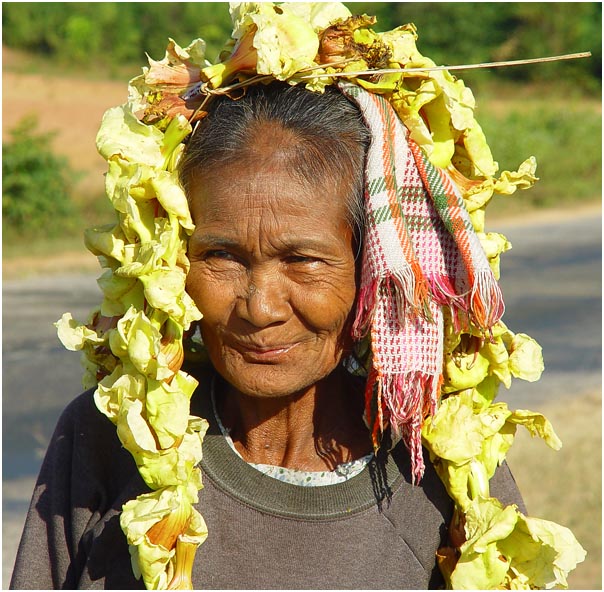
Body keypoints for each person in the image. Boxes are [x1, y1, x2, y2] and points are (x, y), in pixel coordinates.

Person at [10, 80, 525, 590]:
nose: (260, 308)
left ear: (369, 267)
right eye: (221, 256)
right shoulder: (116, 435)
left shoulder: (445, 472)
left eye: (302, 261)